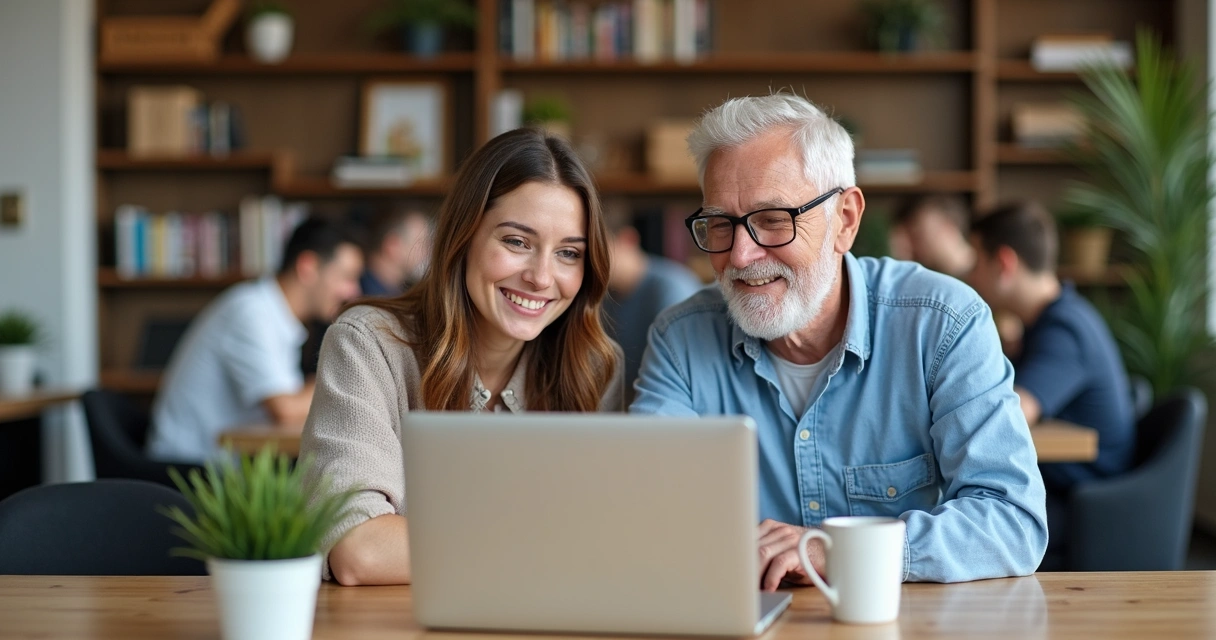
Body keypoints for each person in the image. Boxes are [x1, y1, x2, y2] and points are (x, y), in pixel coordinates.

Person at [631, 93, 1047, 586]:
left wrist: (841, 552)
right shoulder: (680, 339)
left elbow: (1011, 520)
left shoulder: (943, 323)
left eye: (772, 220)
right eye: (721, 224)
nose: (740, 255)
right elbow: (647, 515)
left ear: (845, 220)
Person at [301, 128, 626, 586]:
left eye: (569, 253)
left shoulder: (595, 365)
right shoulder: (368, 344)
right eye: (516, 241)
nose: (541, 277)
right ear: (464, 235)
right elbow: (360, 550)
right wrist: (553, 538)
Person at [147, 218, 364, 463]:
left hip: (222, 465)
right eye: (347, 277)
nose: (353, 292)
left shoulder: (273, 314)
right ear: (308, 267)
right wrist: (348, 379)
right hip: (191, 471)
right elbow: (286, 410)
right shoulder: (252, 313)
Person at [966, 201, 1134, 514]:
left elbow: (1012, 412)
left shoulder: (1065, 329)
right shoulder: (1050, 320)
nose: (971, 276)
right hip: (1067, 486)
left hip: (1086, 501)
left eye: (976, 261)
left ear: (1004, 263)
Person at [602, 210, 704, 399]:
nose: (593, 261)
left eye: (600, 249)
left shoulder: (672, 287)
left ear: (628, 240)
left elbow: (678, 378)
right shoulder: (604, 298)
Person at [888, 194, 975, 279]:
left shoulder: (981, 279)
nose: (908, 245)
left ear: (948, 227)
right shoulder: (928, 276)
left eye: (917, 235)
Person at [360, 209, 433, 296]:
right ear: (392, 246)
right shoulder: (360, 293)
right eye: (422, 244)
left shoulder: (396, 290)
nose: (428, 253)